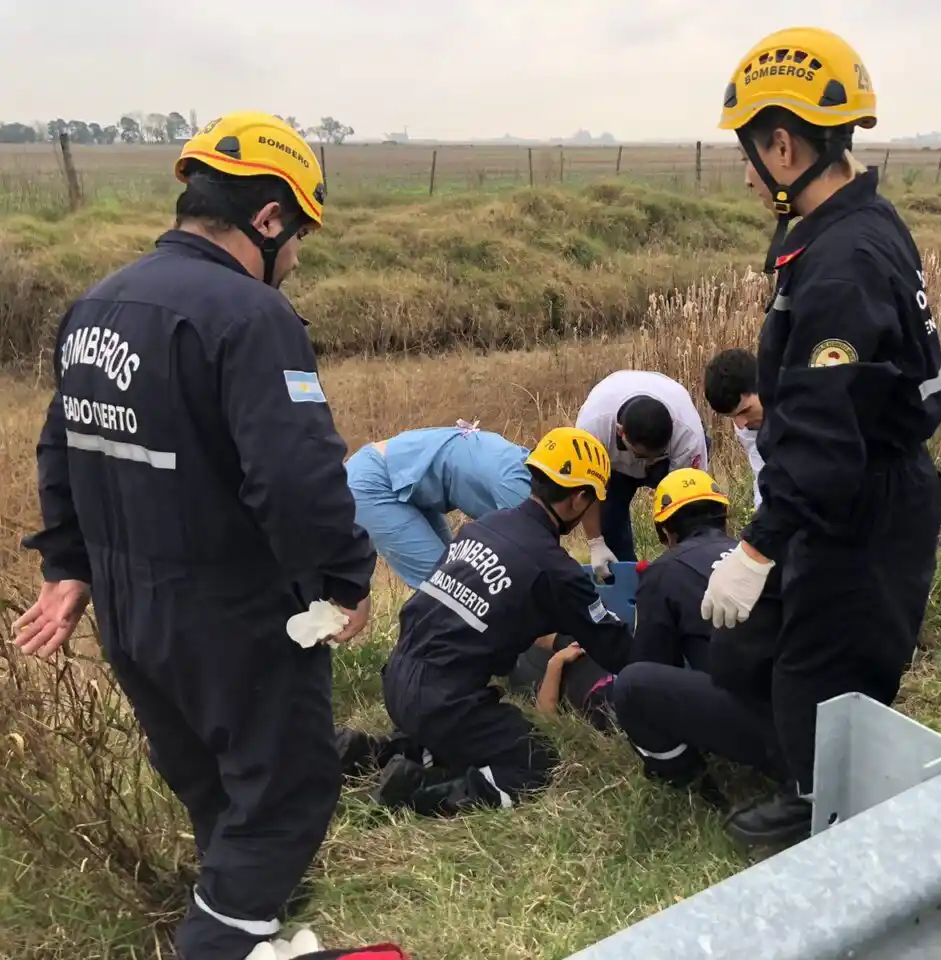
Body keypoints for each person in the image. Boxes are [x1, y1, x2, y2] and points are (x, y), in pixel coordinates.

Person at [11, 111, 376, 960]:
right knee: (287, 793)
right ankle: (225, 934)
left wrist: (69, 566)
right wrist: (344, 578)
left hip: (134, 615)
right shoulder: (251, 318)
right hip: (234, 615)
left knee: (216, 783)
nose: (296, 262)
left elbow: (62, 446)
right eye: (300, 238)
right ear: (271, 217)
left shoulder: (96, 305)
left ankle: (247, 909)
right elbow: (294, 480)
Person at [701, 28, 941, 846]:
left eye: (749, 152)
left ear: (782, 143)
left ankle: (826, 814)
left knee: (827, 657)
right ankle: (826, 783)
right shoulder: (854, 224)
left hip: (865, 495)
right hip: (867, 482)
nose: (744, 173)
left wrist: (758, 549)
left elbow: (822, 435)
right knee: (817, 643)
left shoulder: (840, 261)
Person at [371, 426, 633, 818]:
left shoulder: (480, 527)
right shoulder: (554, 570)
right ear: (578, 498)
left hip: (397, 675)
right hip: (444, 701)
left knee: (450, 729)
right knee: (533, 762)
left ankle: (384, 751)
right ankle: (421, 795)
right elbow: (611, 645)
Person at [609, 468, 783, 803]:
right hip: (820, 714)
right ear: (725, 518)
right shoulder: (758, 557)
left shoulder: (664, 572)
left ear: (666, 532)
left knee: (632, 687)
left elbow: (651, 662)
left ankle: (695, 785)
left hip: (772, 733)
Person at [345, 420, 531, 590]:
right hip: (374, 483)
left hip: (410, 480)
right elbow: (533, 562)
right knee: (447, 589)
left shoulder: (525, 464)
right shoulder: (518, 491)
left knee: (454, 574)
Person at [574, 370, 711, 578]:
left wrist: (683, 555)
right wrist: (595, 543)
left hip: (670, 464)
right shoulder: (592, 428)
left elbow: (691, 503)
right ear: (621, 432)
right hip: (614, 465)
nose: (646, 465)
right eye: (642, 456)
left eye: (654, 457)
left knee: (686, 529)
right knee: (610, 524)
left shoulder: (687, 434)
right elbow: (586, 487)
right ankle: (626, 582)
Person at [703, 348, 765, 510]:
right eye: (732, 417)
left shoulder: (803, 401)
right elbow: (765, 475)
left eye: (746, 411)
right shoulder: (747, 426)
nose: (740, 424)